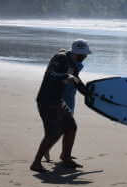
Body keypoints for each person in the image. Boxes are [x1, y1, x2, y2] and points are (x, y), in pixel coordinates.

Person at [30, 39, 91, 173]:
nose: (84, 58)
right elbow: (52, 74)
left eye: (85, 55)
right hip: (46, 100)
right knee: (52, 133)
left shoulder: (75, 64)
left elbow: (76, 81)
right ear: (75, 53)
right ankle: (36, 162)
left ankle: (66, 157)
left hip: (58, 101)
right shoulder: (60, 58)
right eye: (82, 55)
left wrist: (88, 93)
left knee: (71, 127)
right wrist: (66, 75)